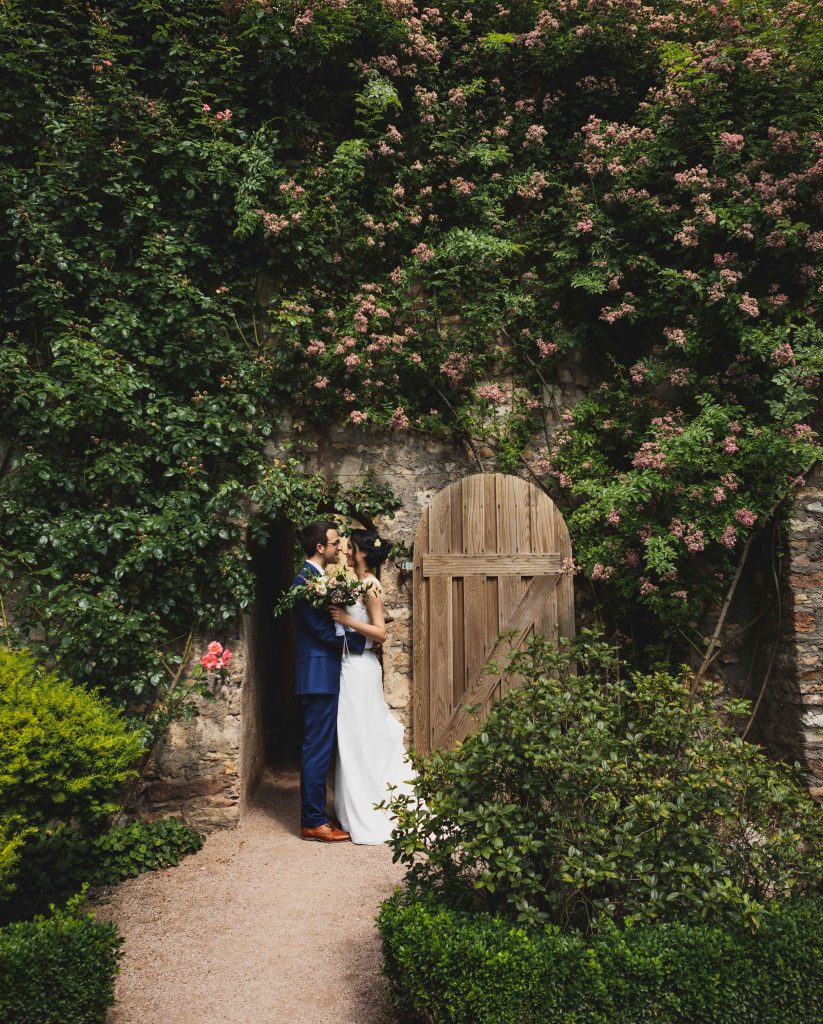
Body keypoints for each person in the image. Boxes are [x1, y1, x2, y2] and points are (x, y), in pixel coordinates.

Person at [330, 529, 414, 845]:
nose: (345, 552)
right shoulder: (356, 583)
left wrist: (346, 619)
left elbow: (380, 633)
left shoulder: (370, 585)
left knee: (360, 734)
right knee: (351, 735)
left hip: (360, 668)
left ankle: (368, 805)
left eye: (350, 547)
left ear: (363, 553)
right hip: (348, 666)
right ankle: (352, 805)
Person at [292, 520, 367, 843]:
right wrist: (364, 642)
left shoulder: (318, 579)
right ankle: (312, 821)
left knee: (321, 748)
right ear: (320, 547)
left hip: (324, 674)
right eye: (335, 542)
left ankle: (318, 814)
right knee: (317, 749)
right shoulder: (303, 582)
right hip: (318, 675)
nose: (339, 547)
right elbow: (322, 632)